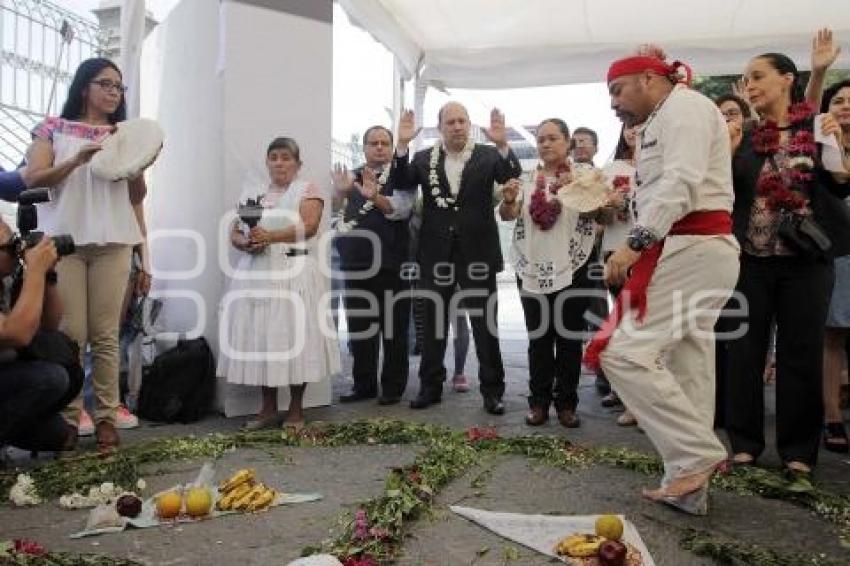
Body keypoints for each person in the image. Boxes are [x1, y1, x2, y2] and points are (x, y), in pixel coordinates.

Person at [587, 46, 740, 515]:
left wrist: (635, 242)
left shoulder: (687, 108)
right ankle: (688, 486)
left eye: (617, 89)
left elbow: (680, 183)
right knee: (691, 364)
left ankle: (696, 454)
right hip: (692, 249)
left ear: (651, 78)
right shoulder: (661, 118)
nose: (612, 102)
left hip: (693, 245)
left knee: (623, 353)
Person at [725, 54, 850, 482]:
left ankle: (798, 452)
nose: (751, 84)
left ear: (786, 80)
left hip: (806, 264)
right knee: (743, 353)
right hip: (748, 261)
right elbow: (724, 190)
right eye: (747, 78)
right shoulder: (740, 135)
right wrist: (725, 149)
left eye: (758, 76)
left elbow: (838, 181)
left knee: (801, 356)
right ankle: (744, 445)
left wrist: (833, 144)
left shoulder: (814, 126)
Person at [25, 58, 150, 454]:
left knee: (106, 335)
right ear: (84, 87)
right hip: (65, 243)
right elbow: (33, 177)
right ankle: (67, 420)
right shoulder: (53, 129)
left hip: (113, 241)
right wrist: (76, 161)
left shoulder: (124, 134)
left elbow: (136, 198)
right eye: (106, 84)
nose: (114, 92)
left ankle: (107, 421)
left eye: (119, 87)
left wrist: (137, 167)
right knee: (71, 335)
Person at [396, 103, 522, 414]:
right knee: (434, 325)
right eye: (450, 122)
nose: (457, 126)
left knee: (485, 327)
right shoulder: (424, 158)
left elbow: (512, 174)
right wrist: (402, 144)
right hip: (435, 255)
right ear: (440, 127)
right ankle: (430, 387)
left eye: (462, 121)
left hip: (477, 252)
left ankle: (493, 391)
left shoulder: (487, 155)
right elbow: (401, 182)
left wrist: (502, 143)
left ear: (469, 125)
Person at [218, 137, 340, 431]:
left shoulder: (308, 190)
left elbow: (309, 227)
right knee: (263, 338)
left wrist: (271, 237)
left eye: (286, 157)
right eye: (274, 157)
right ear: (267, 162)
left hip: (295, 272)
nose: (279, 162)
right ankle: (268, 408)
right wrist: (245, 242)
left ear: (297, 164)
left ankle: (296, 410)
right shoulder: (254, 193)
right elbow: (235, 231)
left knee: (298, 338)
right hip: (258, 273)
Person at [499, 118, 600, 428]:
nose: (545, 144)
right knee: (539, 338)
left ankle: (567, 403)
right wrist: (508, 200)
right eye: (541, 139)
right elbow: (507, 215)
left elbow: (603, 214)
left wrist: (582, 192)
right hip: (532, 269)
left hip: (575, 266)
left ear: (567, 142)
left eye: (553, 138)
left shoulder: (585, 177)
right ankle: (539, 403)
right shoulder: (527, 178)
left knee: (569, 338)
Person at [332, 123, 415, 405]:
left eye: (384, 143)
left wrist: (374, 196)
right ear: (364, 148)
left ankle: (392, 387)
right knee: (360, 329)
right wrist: (342, 193)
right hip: (355, 264)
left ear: (391, 148)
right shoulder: (350, 178)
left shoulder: (403, 176)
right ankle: (363, 385)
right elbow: (334, 214)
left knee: (395, 330)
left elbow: (401, 209)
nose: (379, 147)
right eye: (373, 143)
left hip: (393, 264)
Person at [0, 219, 81, 453]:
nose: (18, 251)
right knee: (50, 378)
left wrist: (47, 275)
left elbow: (49, 325)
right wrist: (35, 270)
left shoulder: (6, 277)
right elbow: (18, 334)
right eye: (10, 247)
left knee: (68, 366)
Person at [598, 124, 641, 427]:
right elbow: (598, 217)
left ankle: (648, 401)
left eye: (640, 124)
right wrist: (605, 205)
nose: (634, 130)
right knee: (624, 323)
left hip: (653, 250)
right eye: (629, 125)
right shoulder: (611, 168)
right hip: (616, 253)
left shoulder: (661, 160)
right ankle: (627, 395)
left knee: (647, 325)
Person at [821, 79, 850, 453]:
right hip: (838, 248)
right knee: (833, 333)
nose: (845, 106)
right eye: (839, 100)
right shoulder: (819, 147)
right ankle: (831, 416)